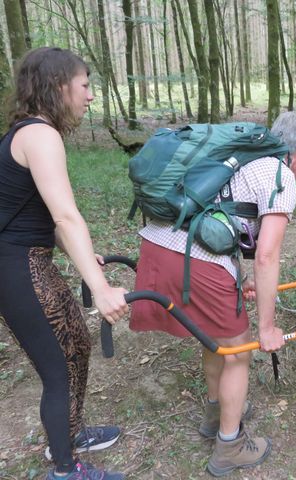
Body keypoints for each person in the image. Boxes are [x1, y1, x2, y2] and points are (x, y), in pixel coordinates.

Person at [129, 112, 296, 477]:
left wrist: (239, 275)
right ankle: (230, 445)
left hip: (157, 246)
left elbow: (220, 218)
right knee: (237, 350)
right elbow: (267, 254)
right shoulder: (280, 175)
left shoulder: (239, 156)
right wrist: (267, 327)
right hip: (192, 261)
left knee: (216, 339)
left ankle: (216, 412)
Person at [0, 47, 129, 480]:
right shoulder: (39, 135)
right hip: (18, 268)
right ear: (60, 86)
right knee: (58, 367)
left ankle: (70, 432)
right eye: (85, 84)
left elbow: (33, 211)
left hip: (28, 259)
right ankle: (65, 469)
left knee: (75, 345)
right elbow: (66, 216)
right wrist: (102, 287)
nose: (90, 95)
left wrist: (80, 256)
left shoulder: (28, 133)